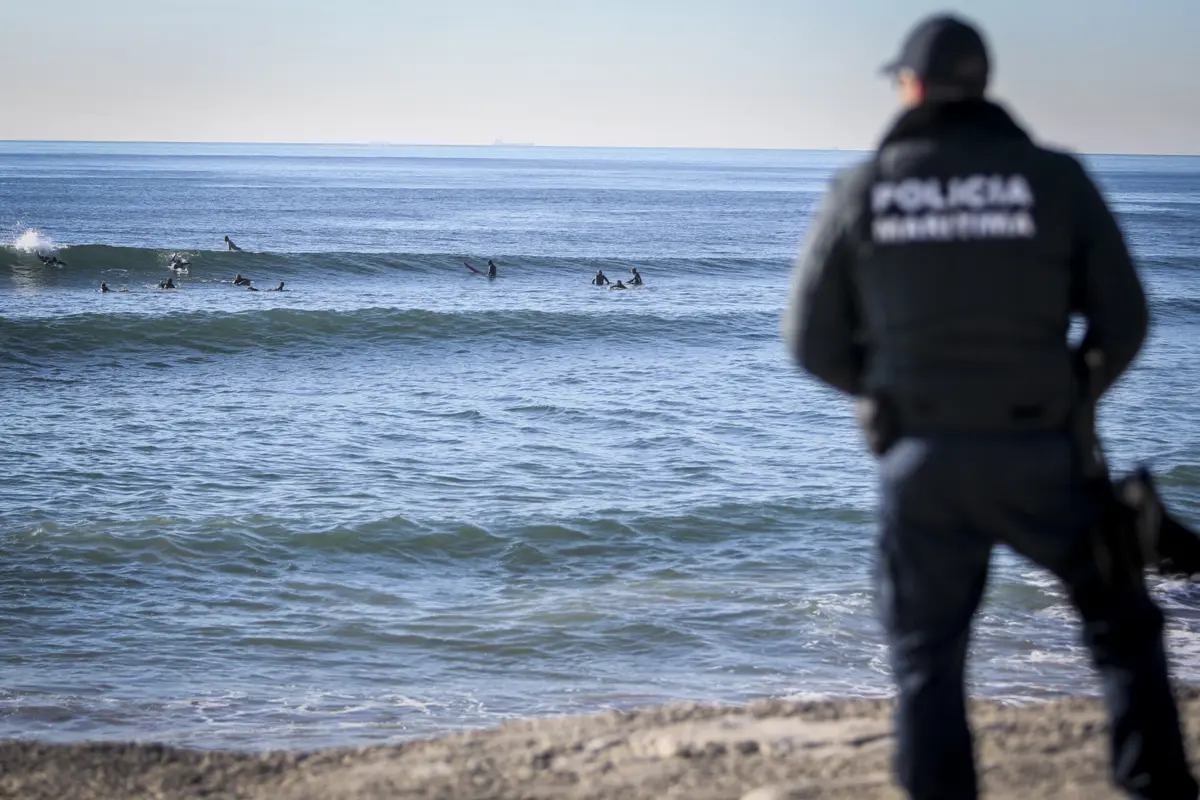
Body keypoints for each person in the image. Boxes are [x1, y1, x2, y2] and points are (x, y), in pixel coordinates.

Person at [781, 14, 1197, 800]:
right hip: (1044, 452)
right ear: (983, 85)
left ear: (910, 86)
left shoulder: (862, 189)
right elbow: (1128, 320)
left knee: (926, 660)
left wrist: (882, 395)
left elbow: (808, 340)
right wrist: (1074, 397)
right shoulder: (1055, 179)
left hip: (924, 463)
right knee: (1123, 630)